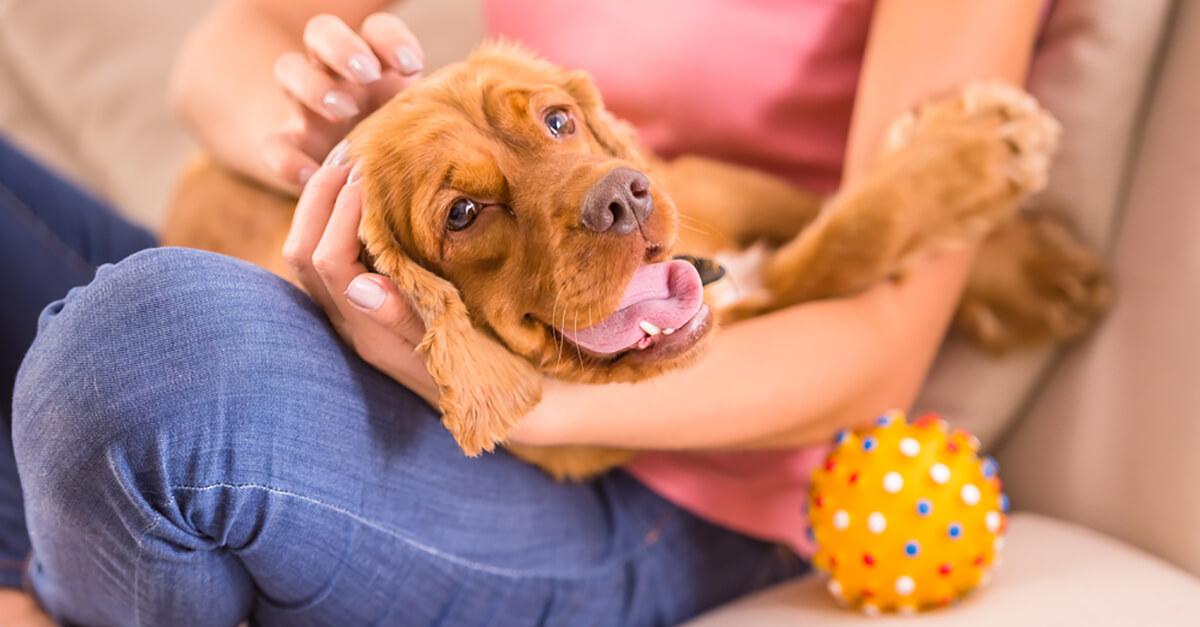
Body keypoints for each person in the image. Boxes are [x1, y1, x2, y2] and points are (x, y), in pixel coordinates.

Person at [2, 0, 1045, 623]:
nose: (614, 190)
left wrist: (529, 398)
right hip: (413, 347)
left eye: (560, 120)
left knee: (138, 353)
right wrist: (327, 138)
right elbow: (223, 51)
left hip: (678, 492)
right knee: (130, 358)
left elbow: (880, 352)